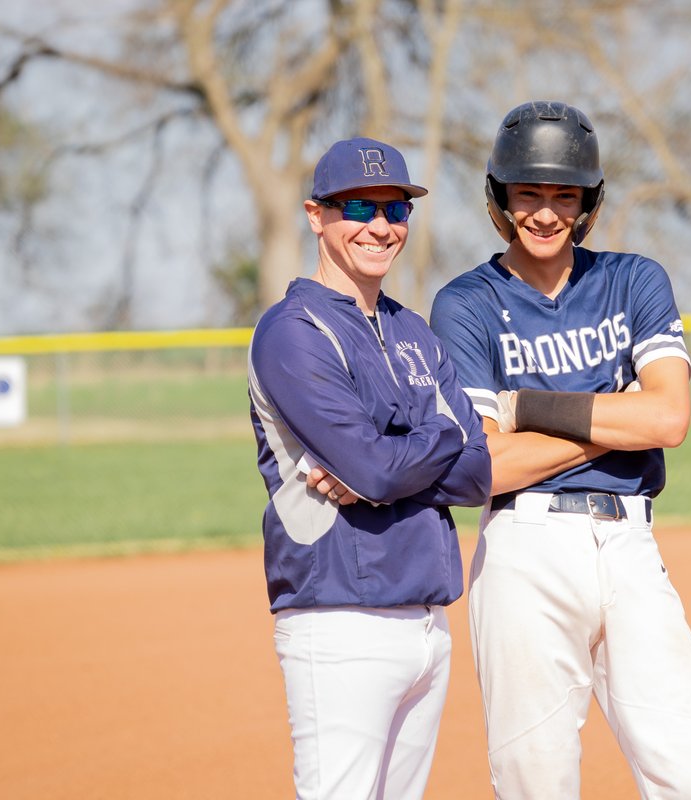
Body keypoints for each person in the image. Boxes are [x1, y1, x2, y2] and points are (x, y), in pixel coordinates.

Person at [430, 101, 691, 799]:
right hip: (522, 550)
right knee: (534, 780)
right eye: (528, 194)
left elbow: (668, 418)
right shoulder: (465, 304)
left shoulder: (634, 281)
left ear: (588, 202)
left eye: (563, 194)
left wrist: (528, 409)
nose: (544, 212)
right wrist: (611, 416)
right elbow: (487, 465)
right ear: (500, 200)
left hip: (630, 548)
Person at [248, 136, 491, 800]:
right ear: (315, 214)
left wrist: (402, 447)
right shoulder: (294, 331)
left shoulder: (414, 330)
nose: (380, 226)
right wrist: (437, 437)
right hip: (339, 621)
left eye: (396, 210)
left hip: (426, 624)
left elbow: (475, 474)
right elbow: (380, 470)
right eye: (359, 206)